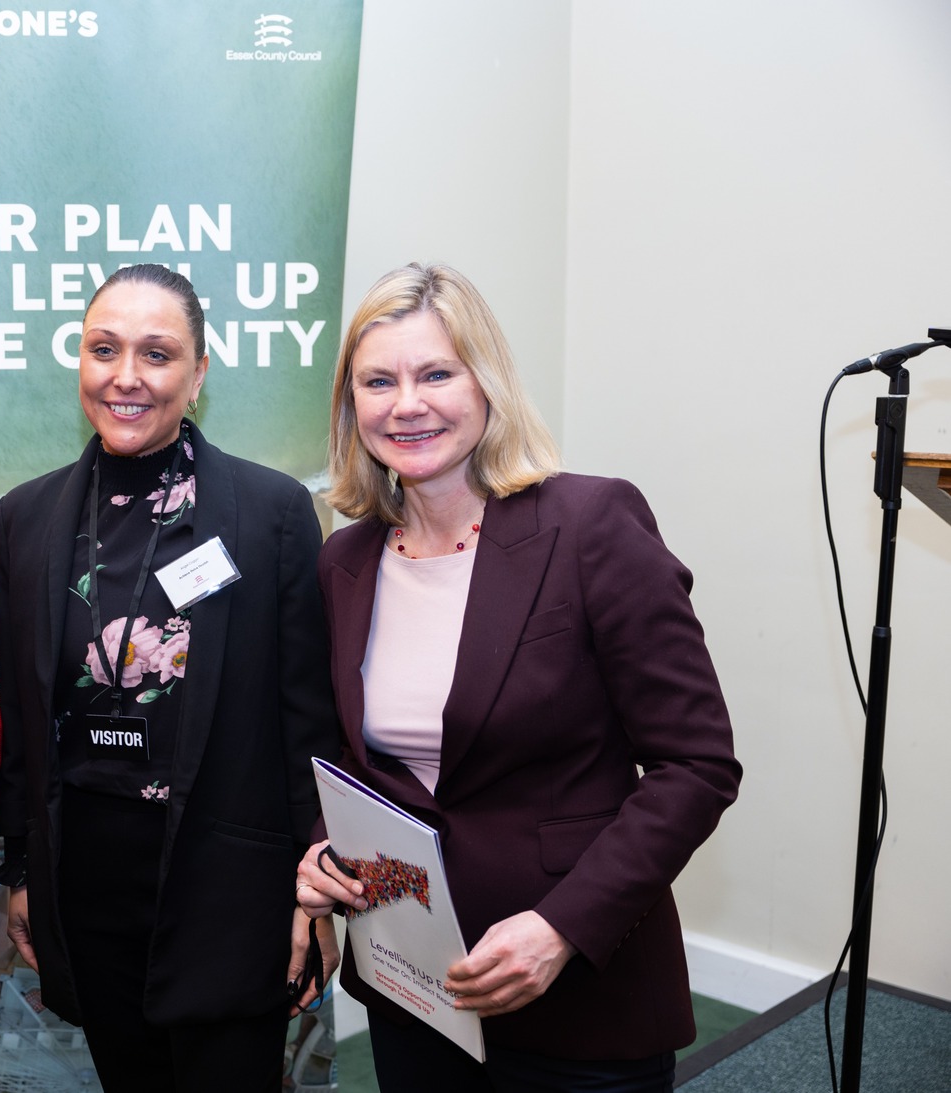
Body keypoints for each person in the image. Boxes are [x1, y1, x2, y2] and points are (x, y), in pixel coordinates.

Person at [295, 263, 742, 1091]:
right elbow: (356, 762)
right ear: (350, 406)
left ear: (487, 383)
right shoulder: (345, 562)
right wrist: (323, 850)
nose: (407, 403)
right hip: (414, 985)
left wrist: (560, 928)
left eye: (436, 373)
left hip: (576, 991)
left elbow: (697, 766)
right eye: (378, 381)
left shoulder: (591, 524)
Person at [0, 263, 340, 1092]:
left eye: (157, 354)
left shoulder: (271, 512)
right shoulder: (28, 516)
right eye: (103, 349)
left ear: (199, 371)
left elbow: (306, 720)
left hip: (227, 881)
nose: (126, 377)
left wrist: (311, 892)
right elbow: (19, 710)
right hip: (86, 876)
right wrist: (20, 870)